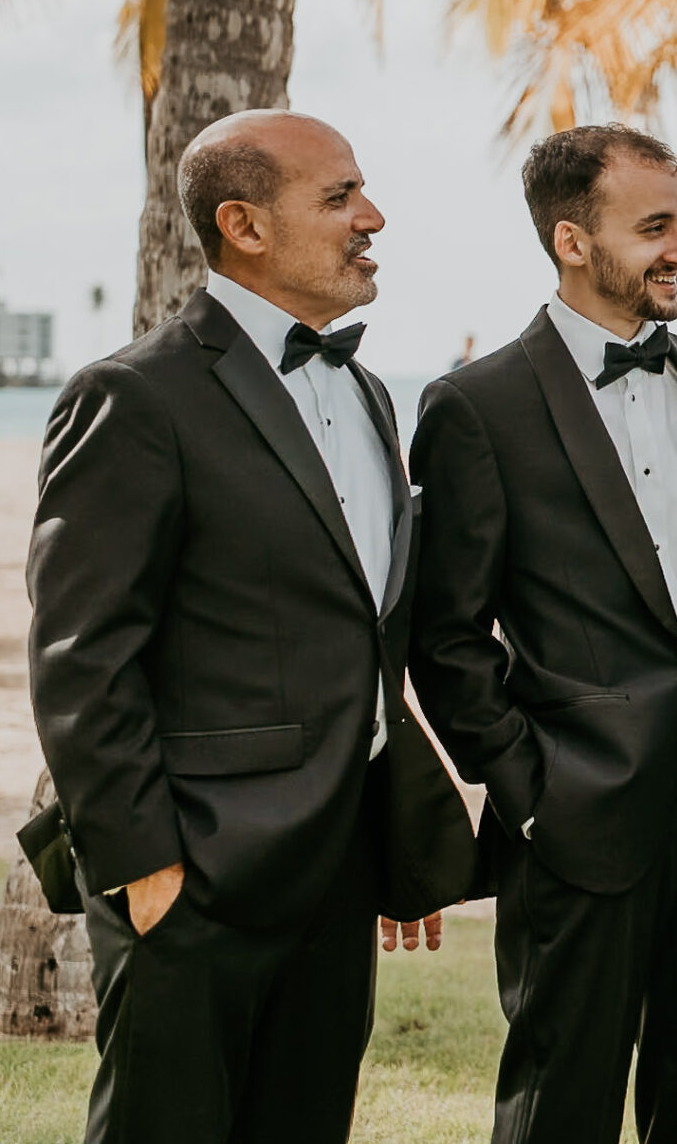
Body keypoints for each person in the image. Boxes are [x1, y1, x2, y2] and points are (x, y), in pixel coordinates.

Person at [26, 110, 472, 1144]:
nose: (374, 218)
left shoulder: (365, 394)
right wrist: (145, 865)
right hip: (195, 877)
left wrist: (391, 834)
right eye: (339, 198)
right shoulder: (134, 397)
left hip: (340, 869)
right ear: (245, 224)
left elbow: (364, 636)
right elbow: (81, 659)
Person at [408, 123, 677, 1144]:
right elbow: (446, 638)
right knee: (560, 1107)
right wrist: (532, 791)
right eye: (656, 227)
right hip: (573, 823)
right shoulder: (477, 405)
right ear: (572, 241)